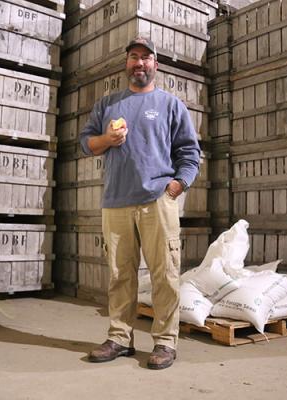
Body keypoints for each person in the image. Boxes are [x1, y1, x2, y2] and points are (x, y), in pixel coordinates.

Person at [79, 36, 200, 370]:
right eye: (134, 57)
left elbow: (190, 153)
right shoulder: (108, 105)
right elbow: (85, 143)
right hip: (116, 200)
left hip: (157, 200)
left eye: (146, 58)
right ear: (127, 64)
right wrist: (107, 139)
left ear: (155, 65)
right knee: (120, 274)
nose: (140, 63)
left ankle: (165, 342)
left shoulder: (170, 105)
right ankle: (119, 338)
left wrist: (178, 185)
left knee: (165, 274)